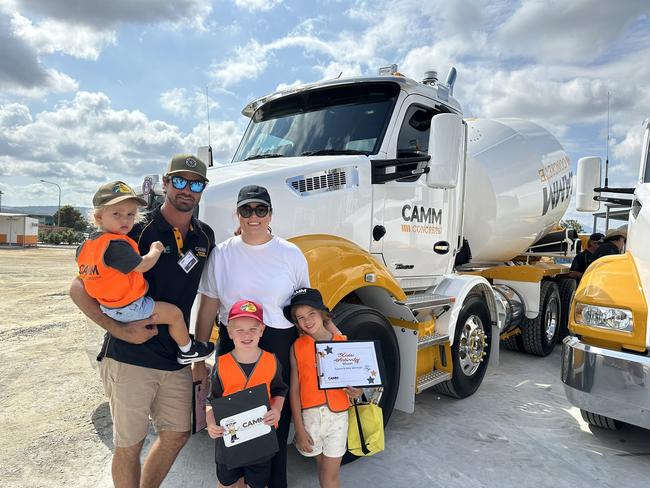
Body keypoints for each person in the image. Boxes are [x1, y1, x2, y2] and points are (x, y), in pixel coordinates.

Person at [69, 154, 215, 488]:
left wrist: (199, 361)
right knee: (129, 445)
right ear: (165, 184)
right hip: (130, 356)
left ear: (202, 190)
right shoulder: (132, 228)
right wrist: (118, 328)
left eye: (195, 184)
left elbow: (209, 299)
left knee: (178, 434)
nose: (186, 190)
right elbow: (78, 288)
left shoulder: (205, 237)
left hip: (176, 360)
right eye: (179, 181)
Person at [195, 184, 335, 488]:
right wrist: (198, 357)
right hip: (234, 340)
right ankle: (235, 480)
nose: (253, 216)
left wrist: (334, 338)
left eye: (261, 209)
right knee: (232, 418)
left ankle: (272, 482)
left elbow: (306, 307)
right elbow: (208, 307)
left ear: (270, 214)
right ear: (238, 213)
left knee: (274, 418)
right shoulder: (222, 254)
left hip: (278, 341)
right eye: (247, 210)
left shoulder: (290, 253)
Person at [77, 180, 214, 364]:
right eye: (116, 214)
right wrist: (155, 250)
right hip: (131, 349)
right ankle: (188, 350)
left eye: (130, 214)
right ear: (98, 218)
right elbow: (142, 265)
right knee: (174, 315)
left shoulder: (87, 246)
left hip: (110, 307)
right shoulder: (121, 241)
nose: (125, 220)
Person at [206, 300, 287, 488]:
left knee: (257, 482)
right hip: (229, 440)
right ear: (230, 332)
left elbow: (279, 390)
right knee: (226, 481)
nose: (246, 334)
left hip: (260, 439)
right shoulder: (222, 364)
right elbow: (212, 400)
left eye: (252, 328)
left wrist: (276, 409)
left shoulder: (272, 361)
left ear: (262, 330)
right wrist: (211, 424)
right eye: (240, 330)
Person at [285, 288, 361, 488]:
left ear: (322, 313)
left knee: (330, 476)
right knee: (322, 468)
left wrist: (358, 391)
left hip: (338, 417)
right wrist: (299, 429)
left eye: (311, 313)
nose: (307, 321)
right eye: (300, 317)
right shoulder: (296, 347)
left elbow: (356, 379)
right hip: (310, 420)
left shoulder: (341, 342)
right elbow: (294, 389)